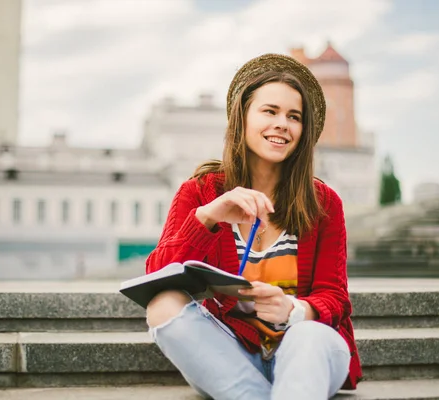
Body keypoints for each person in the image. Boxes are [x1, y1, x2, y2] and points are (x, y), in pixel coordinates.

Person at [145, 53, 361, 399]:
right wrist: (209, 216)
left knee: (307, 334)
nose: (282, 124)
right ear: (242, 117)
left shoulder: (325, 203)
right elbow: (157, 274)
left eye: (294, 117)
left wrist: (294, 309)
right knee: (164, 305)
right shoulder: (200, 192)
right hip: (232, 356)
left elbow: (334, 297)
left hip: (307, 351)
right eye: (269, 111)